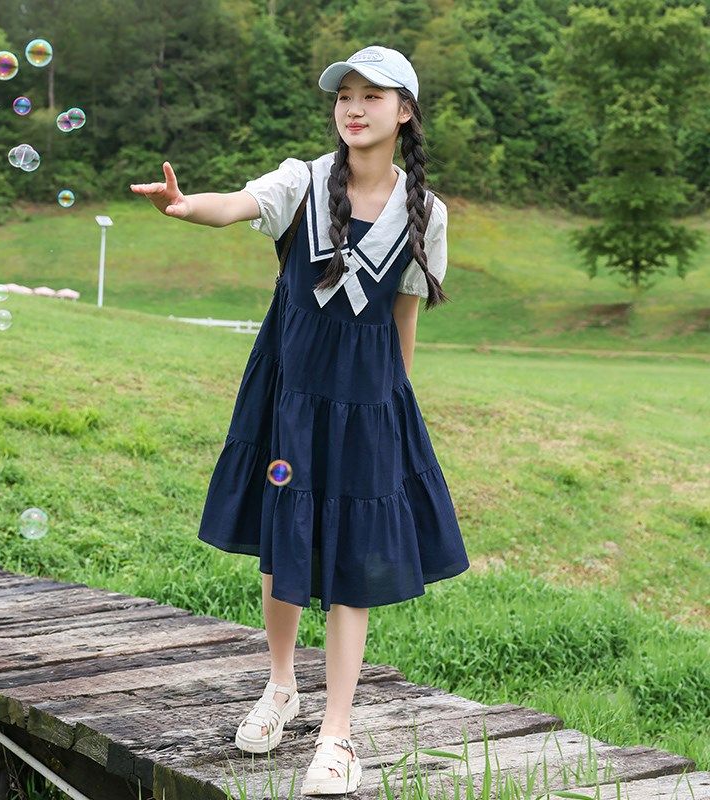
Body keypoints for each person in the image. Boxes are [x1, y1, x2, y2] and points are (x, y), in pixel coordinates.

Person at [130, 44, 470, 797]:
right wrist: (186, 207)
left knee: (353, 561)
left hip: (368, 404)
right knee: (285, 536)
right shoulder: (303, 180)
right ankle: (280, 686)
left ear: (404, 112)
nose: (354, 108)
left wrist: (392, 407)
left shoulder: (428, 212)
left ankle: (336, 736)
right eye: (345, 95)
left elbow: (405, 317)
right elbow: (234, 205)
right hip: (290, 392)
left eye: (372, 96)